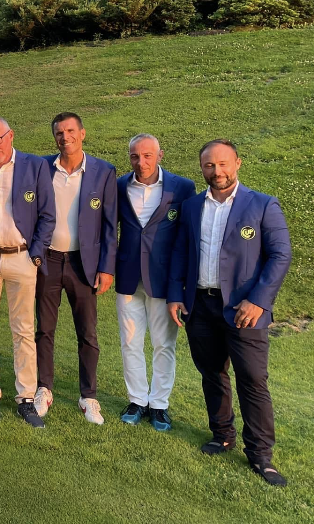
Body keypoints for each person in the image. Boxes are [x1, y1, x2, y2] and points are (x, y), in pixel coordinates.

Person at [168, 140, 291, 487]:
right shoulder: (192, 206)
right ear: (202, 167)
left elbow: (280, 255)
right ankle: (222, 435)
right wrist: (176, 294)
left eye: (223, 164)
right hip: (200, 305)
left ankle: (260, 455)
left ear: (237, 163)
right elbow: (181, 251)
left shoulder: (262, 204)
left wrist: (259, 301)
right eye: (209, 165)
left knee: (252, 379)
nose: (217, 171)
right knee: (211, 373)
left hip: (243, 309)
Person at [0, 117, 55, 428]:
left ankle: (26, 397)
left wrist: (35, 255)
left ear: (11, 136)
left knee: (23, 329)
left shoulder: (35, 166)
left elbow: (48, 215)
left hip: (21, 257)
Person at [35, 112, 117, 425]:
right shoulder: (42, 167)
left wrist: (106, 268)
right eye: (59, 132)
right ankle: (44, 388)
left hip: (84, 263)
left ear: (82, 133)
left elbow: (110, 225)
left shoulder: (103, 171)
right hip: (49, 260)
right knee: (44, 329)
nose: (65, 137)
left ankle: (88, 396)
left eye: (70, 131)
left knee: (87, 332)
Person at [115, 134, 195, 431]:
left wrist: (181, 282)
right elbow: (110, 229)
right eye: (135, 156)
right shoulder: (119, 186)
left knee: (164, 344)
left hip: (164, 280)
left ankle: (159, 404)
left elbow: (186, 237)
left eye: (147, 155)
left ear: (160, 155)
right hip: (128, 277)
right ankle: (137, 400)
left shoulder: (182, 187)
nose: (141, 162)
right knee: (130, 343)